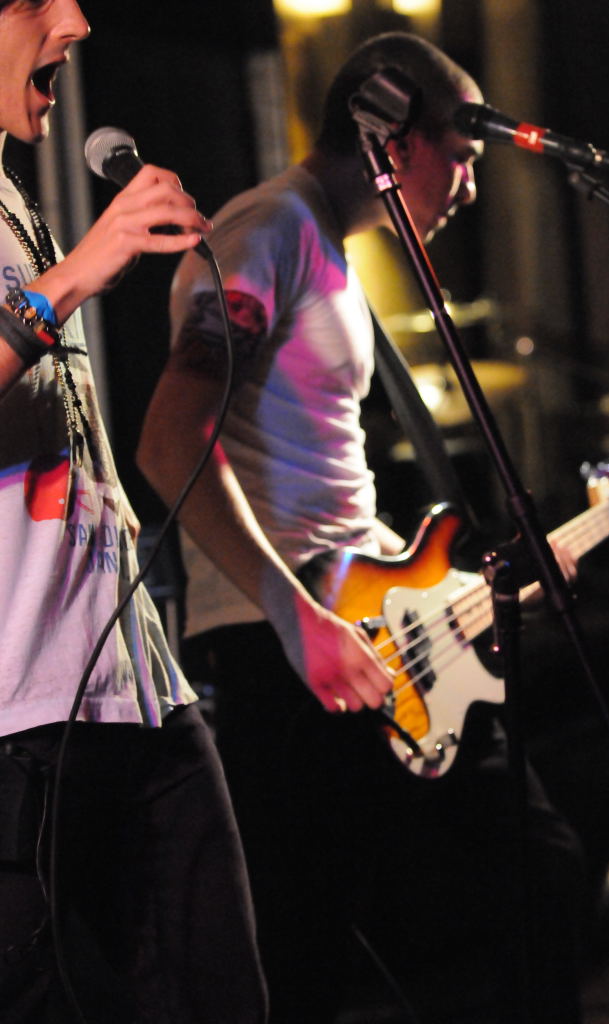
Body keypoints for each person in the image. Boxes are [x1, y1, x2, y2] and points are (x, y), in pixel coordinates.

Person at [137, 31, 584, 1024]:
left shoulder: (327, 249)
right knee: (307, 951)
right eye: (459, 155)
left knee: (528, 874)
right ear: (391, 133)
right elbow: (169, 440)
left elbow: (325, 489)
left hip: (368, 626)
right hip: (286, 644)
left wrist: (470, 585)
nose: (468, 184)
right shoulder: (267, 229)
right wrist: (296, 617)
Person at [0, 2, 268, 1022]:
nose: (74, 20)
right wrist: (74, 277)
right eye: (35, 0)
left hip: (135, 688)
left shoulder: (13, 197)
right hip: (18, 720)